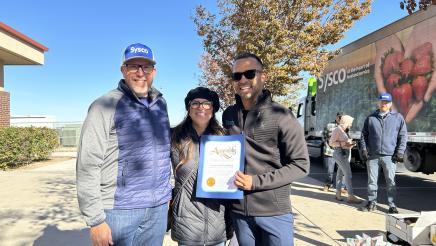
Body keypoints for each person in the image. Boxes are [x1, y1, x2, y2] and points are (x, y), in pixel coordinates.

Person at [76, 43, 172, 246]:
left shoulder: (161, 104)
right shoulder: (105, 105)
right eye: (133, 66)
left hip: (157, 210)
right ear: (123, 70)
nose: (140, 73)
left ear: (153, 71)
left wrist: (166, 195)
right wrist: (95, 220)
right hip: (119, 211)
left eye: (146, 67)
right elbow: (87, 165)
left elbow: (163, 153)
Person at [222, 53, 310, 245]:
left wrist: (255, 182)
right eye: (237, 76)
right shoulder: (228, 114)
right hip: (239, 214)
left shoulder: (282, 115)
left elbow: (301, 165)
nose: (242, 80)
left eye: (249, 73)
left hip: (274, 213)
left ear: (263, 76)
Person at [170, 87, 233, 246]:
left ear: (213, 109)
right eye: (195, 103)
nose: (201, 107)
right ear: (188, 108)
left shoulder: (226, 139)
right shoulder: (173, 137)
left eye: (206, 103)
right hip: (187, 224)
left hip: (218, 222)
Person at [360, 92, 407, 214]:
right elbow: (363, 136)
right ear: (378, 103)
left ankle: (392, 205)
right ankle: (372, 202)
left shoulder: (397, 118)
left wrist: (400, 152)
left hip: (389, 156)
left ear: (390, 104)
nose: (383, 104)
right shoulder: (370, 118)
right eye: (382, 102)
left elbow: (403, 136)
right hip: (373, 156)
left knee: (391, 181)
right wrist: (364, 150)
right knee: (372, 181)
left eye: (386, 102)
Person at [328, 115, 361, 204]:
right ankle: (350, 196)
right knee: (348, 174)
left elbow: (342, 143)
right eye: (350, 122)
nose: (351, 124)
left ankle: (338, 193)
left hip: (343, 154)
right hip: (340, 154)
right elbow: (331, 143)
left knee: (340, 173)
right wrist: (344, 143)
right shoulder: (337, 130)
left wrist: (350, 144)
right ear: (345, 122)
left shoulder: (342, 130)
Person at [322, 112, 347, 194]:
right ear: (336, 117)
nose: (340, 119)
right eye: (339, 117)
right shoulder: (329, 125)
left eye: (342, 117)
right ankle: (328, 184)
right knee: (330, 170)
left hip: (341, 151)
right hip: (330, 152)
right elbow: (324, 136)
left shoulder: (345, 127)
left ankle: (342, 187)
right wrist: (329, 145)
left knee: (342, 170)